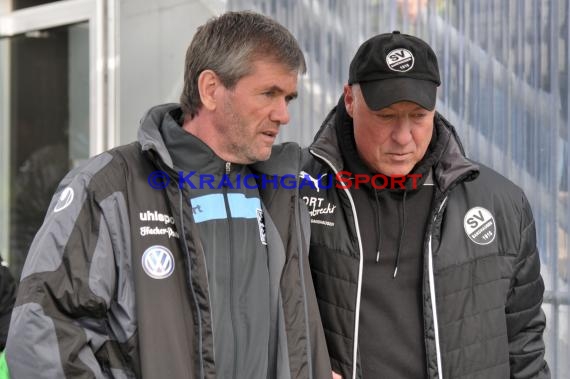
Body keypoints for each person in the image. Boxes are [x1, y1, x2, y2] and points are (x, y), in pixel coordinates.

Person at [6, 11, 330, 378]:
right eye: (269, 93)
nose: (283, 114)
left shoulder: (283, 192)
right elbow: (43, 330)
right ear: (210, 89)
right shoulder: (110, 187)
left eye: (288, 97)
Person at [301, 31, 550, 378]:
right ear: (349, 100)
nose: (403, 137)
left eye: (418, 116)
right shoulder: (296, 192)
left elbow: (524, 348)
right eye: (386, 116)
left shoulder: (502, 204)